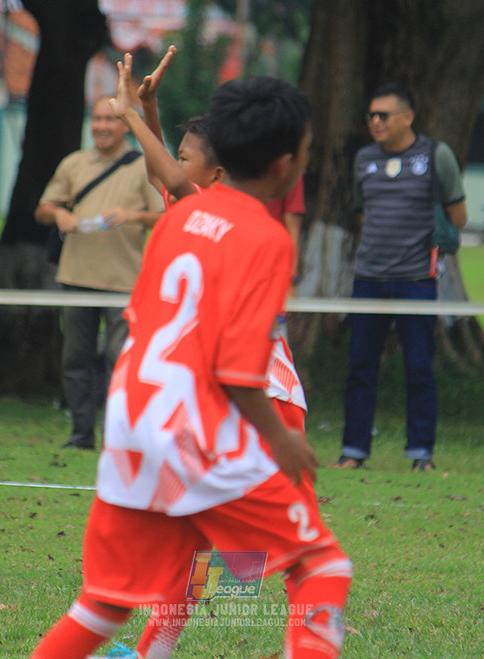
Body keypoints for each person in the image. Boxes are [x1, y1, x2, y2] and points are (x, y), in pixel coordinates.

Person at [31, 76, 352, 659]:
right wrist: (279, 439)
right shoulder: (262, 236)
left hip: (134, 419)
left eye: (183, 155)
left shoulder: (176, 221)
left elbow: (172, 183)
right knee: (317, 562)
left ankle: (157, 648)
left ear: (218, 166)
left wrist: (141, 112)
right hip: (233, 410)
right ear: (286, 165)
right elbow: (236, 367)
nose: (172, 166)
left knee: (106, 600)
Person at [334, 83, 468, 472]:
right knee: (360, 366)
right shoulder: (364, 159)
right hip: (368, 278)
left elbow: (458, 216)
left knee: (420, 367)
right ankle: (353, 451)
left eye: (383, 115)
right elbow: (362, 214)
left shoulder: (436, 155)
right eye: (371, 115)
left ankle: (420, 454)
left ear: (407, 117)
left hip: (416, 280)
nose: (375, 122)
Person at [34, 95, 164, 451]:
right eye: (96, 119)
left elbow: (168, 213)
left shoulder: (142, 167)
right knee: (75, 359)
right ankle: (80, 436)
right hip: (76, 276)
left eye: (110, 119)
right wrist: (59, 215)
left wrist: (134, 215)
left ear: (124, 124)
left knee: (119, 360)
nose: (102, 126)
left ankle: (117, 438)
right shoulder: (74, 163)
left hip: (124, 281)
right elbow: (44, 207)